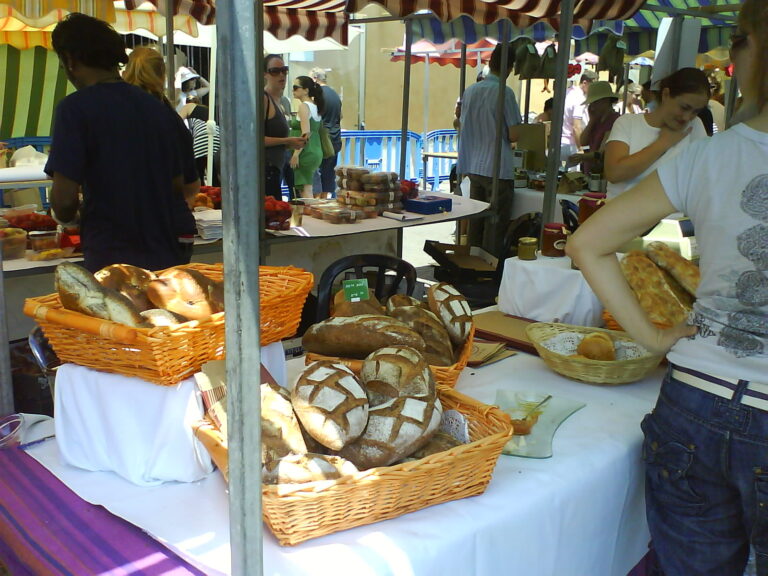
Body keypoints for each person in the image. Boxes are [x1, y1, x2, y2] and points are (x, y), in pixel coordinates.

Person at [566, 3, 767, 574]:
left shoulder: (710, 153)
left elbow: (587, 244)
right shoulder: (695, 146)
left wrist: (653, 338)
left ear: (754, 50)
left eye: (738, 41)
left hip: (697, 397)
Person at [45, 14, 197, 273]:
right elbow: (180, 184)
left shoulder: (75, 109)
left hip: (111, 253)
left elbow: (65, 200)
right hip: (167, 251)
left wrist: (67, 217)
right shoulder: (161, 110)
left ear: (69, 61)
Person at [122, 45, 200, 261]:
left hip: (127, 231)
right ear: (162, 76)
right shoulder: (169, 118)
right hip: (171, 227)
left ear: (126, 72)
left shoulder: (113, 116)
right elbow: (191, 184)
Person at [456, 43, 522, 258]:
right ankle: (489, 269)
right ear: (510, 67)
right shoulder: (505, 92)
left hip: (473, 165)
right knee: (494, 225)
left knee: (476, 221)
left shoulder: (470, 90)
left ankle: (472, 265)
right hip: (497, 167)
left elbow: (461, 124)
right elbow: (514, 135)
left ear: (490, 62)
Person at [603, 68, 710, 199]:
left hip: (671, 212)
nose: (687, 117)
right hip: (621, 210)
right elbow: (614, 173)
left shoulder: (695, 126)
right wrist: (662, 144)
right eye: (684, 107)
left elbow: (702, 179)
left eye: (695, 111)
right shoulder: (627, 123)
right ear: (665, 95)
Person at [263, 54, 305, 200]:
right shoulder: (264, 99)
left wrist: (290, 143)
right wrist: (287, 141)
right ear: (265, 74)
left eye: (284, 70)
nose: (281, 75)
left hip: (275, 168)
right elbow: (254, 139)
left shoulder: (281, 101)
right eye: (275, 71)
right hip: (266, 170)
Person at [568, 81, 620, 175]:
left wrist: (582, 157)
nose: (592, 107)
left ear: (606, 101)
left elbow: (601, 152)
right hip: (590, 172)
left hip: (602, 174)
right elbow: (583, 142)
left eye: (595, 102)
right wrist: (591, 121)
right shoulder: (596, 120)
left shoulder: (615, 120)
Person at [289, 76, 325, 199]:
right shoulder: (315, 106)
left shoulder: (304, 106)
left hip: (305, 152)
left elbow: (306, 133)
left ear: (306, 90)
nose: (293, 90)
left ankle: (307, 210)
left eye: (296, 87)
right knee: (308, 187)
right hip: (315, 149)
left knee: (305, 191)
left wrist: (296, 154)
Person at [310, 67, 342, 198]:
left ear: (315, 79)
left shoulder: (317, 95)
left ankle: (317, 202)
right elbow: (341, 116)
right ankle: (324, 202)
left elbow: (314, 117)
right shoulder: (335, 95)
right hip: (335, 138)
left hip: (322, 139)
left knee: (316, 173)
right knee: (328, 174)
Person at [561, 70, 597, 168]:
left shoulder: (569, 92)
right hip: (571, 145)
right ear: (585, 83)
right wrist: (581, 148)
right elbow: (576, 127)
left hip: (562, 142)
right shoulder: (580, 99)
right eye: (593, 86)